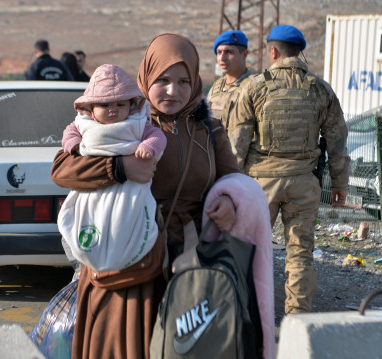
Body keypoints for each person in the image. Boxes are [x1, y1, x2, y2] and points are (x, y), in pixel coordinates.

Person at [51, 33, 265, 359]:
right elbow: (62, 169)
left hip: (191, 266)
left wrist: (229, 200)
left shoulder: (209, 129)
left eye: (183, 81)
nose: (172, 91)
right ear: (146, 78)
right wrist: (119, 168)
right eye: (162, 80)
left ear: (195, 82)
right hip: (131, 264)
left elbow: (233, 178)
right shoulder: (126, 118)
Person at [228, 24, 350, 314]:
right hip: (303, 184)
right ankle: (298, 318)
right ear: (300, 52)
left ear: (272, 51)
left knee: (249, 250)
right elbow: (337, 140)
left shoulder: (254, 86)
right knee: (300, 254)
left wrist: (231, 185)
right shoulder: (321, 90)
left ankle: (246, 316)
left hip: (261, 185)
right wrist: (339, 184)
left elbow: (237, 144)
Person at [58, 64, 167, 272]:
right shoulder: (83, 124)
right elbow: (68, 134)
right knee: (88, 224)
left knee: (124, 223)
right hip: (92, 190)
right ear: (90, 107)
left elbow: (157, 136)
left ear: (131, 106)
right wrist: (72, 144)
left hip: (128, 192)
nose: (113, 110)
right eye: (105, 104)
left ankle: (125, 255)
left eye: (120, 104)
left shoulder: (137, 124)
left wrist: (148, 146)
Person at [206, 30, 255, 132]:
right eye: (219, 52)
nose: (222, 58)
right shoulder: (216, 88)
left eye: (229, 52)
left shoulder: (256, 86)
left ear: (245, 54)